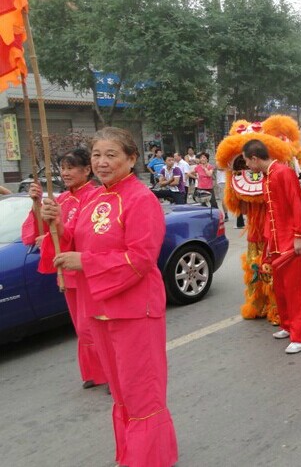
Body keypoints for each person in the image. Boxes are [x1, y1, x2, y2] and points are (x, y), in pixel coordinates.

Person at [40, 127, 178, 467]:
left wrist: (85, 262)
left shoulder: (141, 199)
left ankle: (151, 459)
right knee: (120, 392)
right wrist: (56, 226)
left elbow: (141, 258)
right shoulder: (92, 198)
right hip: (99, 307)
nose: (102, 162)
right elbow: (73, 240)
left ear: (132, 159)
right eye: (97, 155)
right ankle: (133, 454)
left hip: (134, 311)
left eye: (111, 155)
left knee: (141, 391)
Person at [21, 148, 106, 390]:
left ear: (86, 170)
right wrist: (37, 203)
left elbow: (88, 233)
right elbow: (35, 233)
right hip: (68, 270)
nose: (65, 173)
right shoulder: (61, 199)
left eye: (70, 168)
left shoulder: (96, 196)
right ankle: (94, 371)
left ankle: (110, 370)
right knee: (81, 326)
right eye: (63, 168)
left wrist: (51, 237)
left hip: (88, 267)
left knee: (96, 322)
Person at [242, 139, 301, 354]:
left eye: (246, 161)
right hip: (276, 242)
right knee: (281, 287)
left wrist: (299, 235)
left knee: (296, 290)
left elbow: (297, 204)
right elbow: (271, 215)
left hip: (292, 241)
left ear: (255, 158)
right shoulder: (267, 177)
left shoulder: (283, 172)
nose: (247, 166)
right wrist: (268, 242)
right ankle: (288, 325)